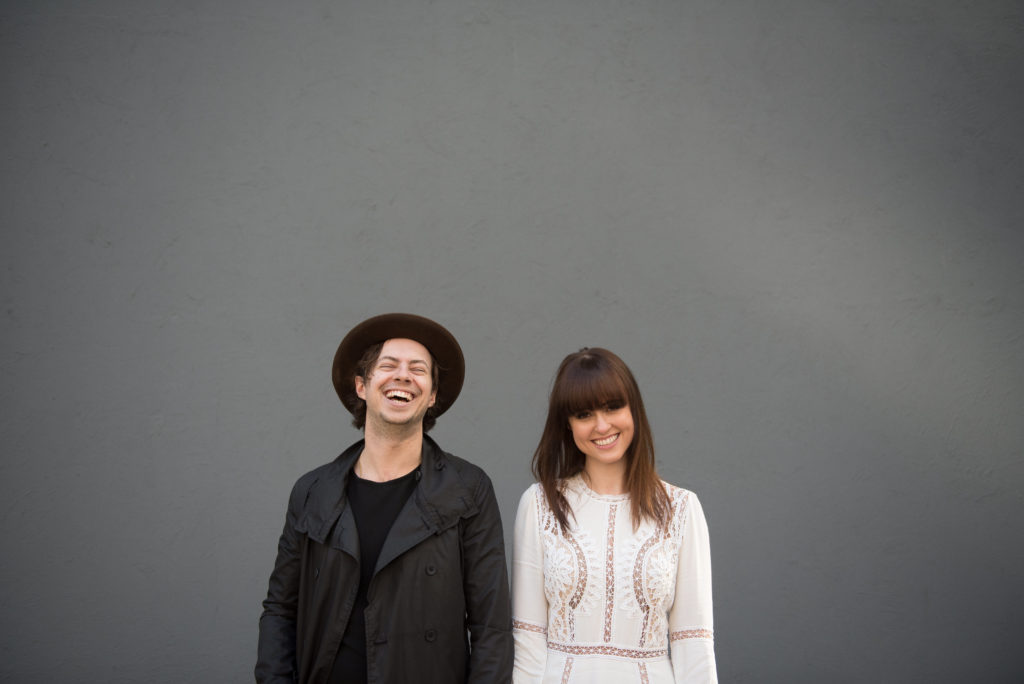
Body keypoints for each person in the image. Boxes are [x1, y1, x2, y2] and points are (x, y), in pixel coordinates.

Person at [256, 313, 513, 684]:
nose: (403, 376)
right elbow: (280, 609)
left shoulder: (468, 490)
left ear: (433, 396)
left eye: (418, 369)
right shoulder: (313, 492)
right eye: (388, 366)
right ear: (362, 385)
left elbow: (492, 626)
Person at [512, 348, 717, 683]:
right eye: (583, 414)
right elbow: (528, 637)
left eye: (612, 407)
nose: (601, 425)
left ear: (633, 409)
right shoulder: (539, 504)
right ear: (568, 424)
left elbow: (694, 640)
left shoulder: (681, 508)